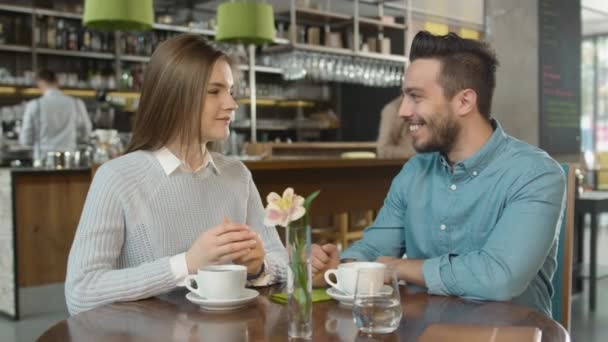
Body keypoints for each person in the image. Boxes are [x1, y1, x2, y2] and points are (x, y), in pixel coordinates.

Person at [312, 31, 565, 317]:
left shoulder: (535, 174)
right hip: (421, 331)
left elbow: (499, 276)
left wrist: (398, 268)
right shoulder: (414, 171)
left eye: (415, 97)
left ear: (464, 102)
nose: (403, 111)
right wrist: (341, 266)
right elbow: (374, 248)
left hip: (509, 334)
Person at [65, 34, 287, 315]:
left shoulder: (237, 175)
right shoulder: (116, 178)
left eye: (231, 91)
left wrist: (258, 267)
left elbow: (282, 261)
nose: (231, 104)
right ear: (175, 96)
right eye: (214, 91)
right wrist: (187, 263)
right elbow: (80, 291)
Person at [19, 69, 92, 160]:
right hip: (70, 158)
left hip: (43, 159)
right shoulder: (76, 103)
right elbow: (86, 131)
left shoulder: (34, 105)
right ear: (57, 82)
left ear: (40, 83)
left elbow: (26, 140)